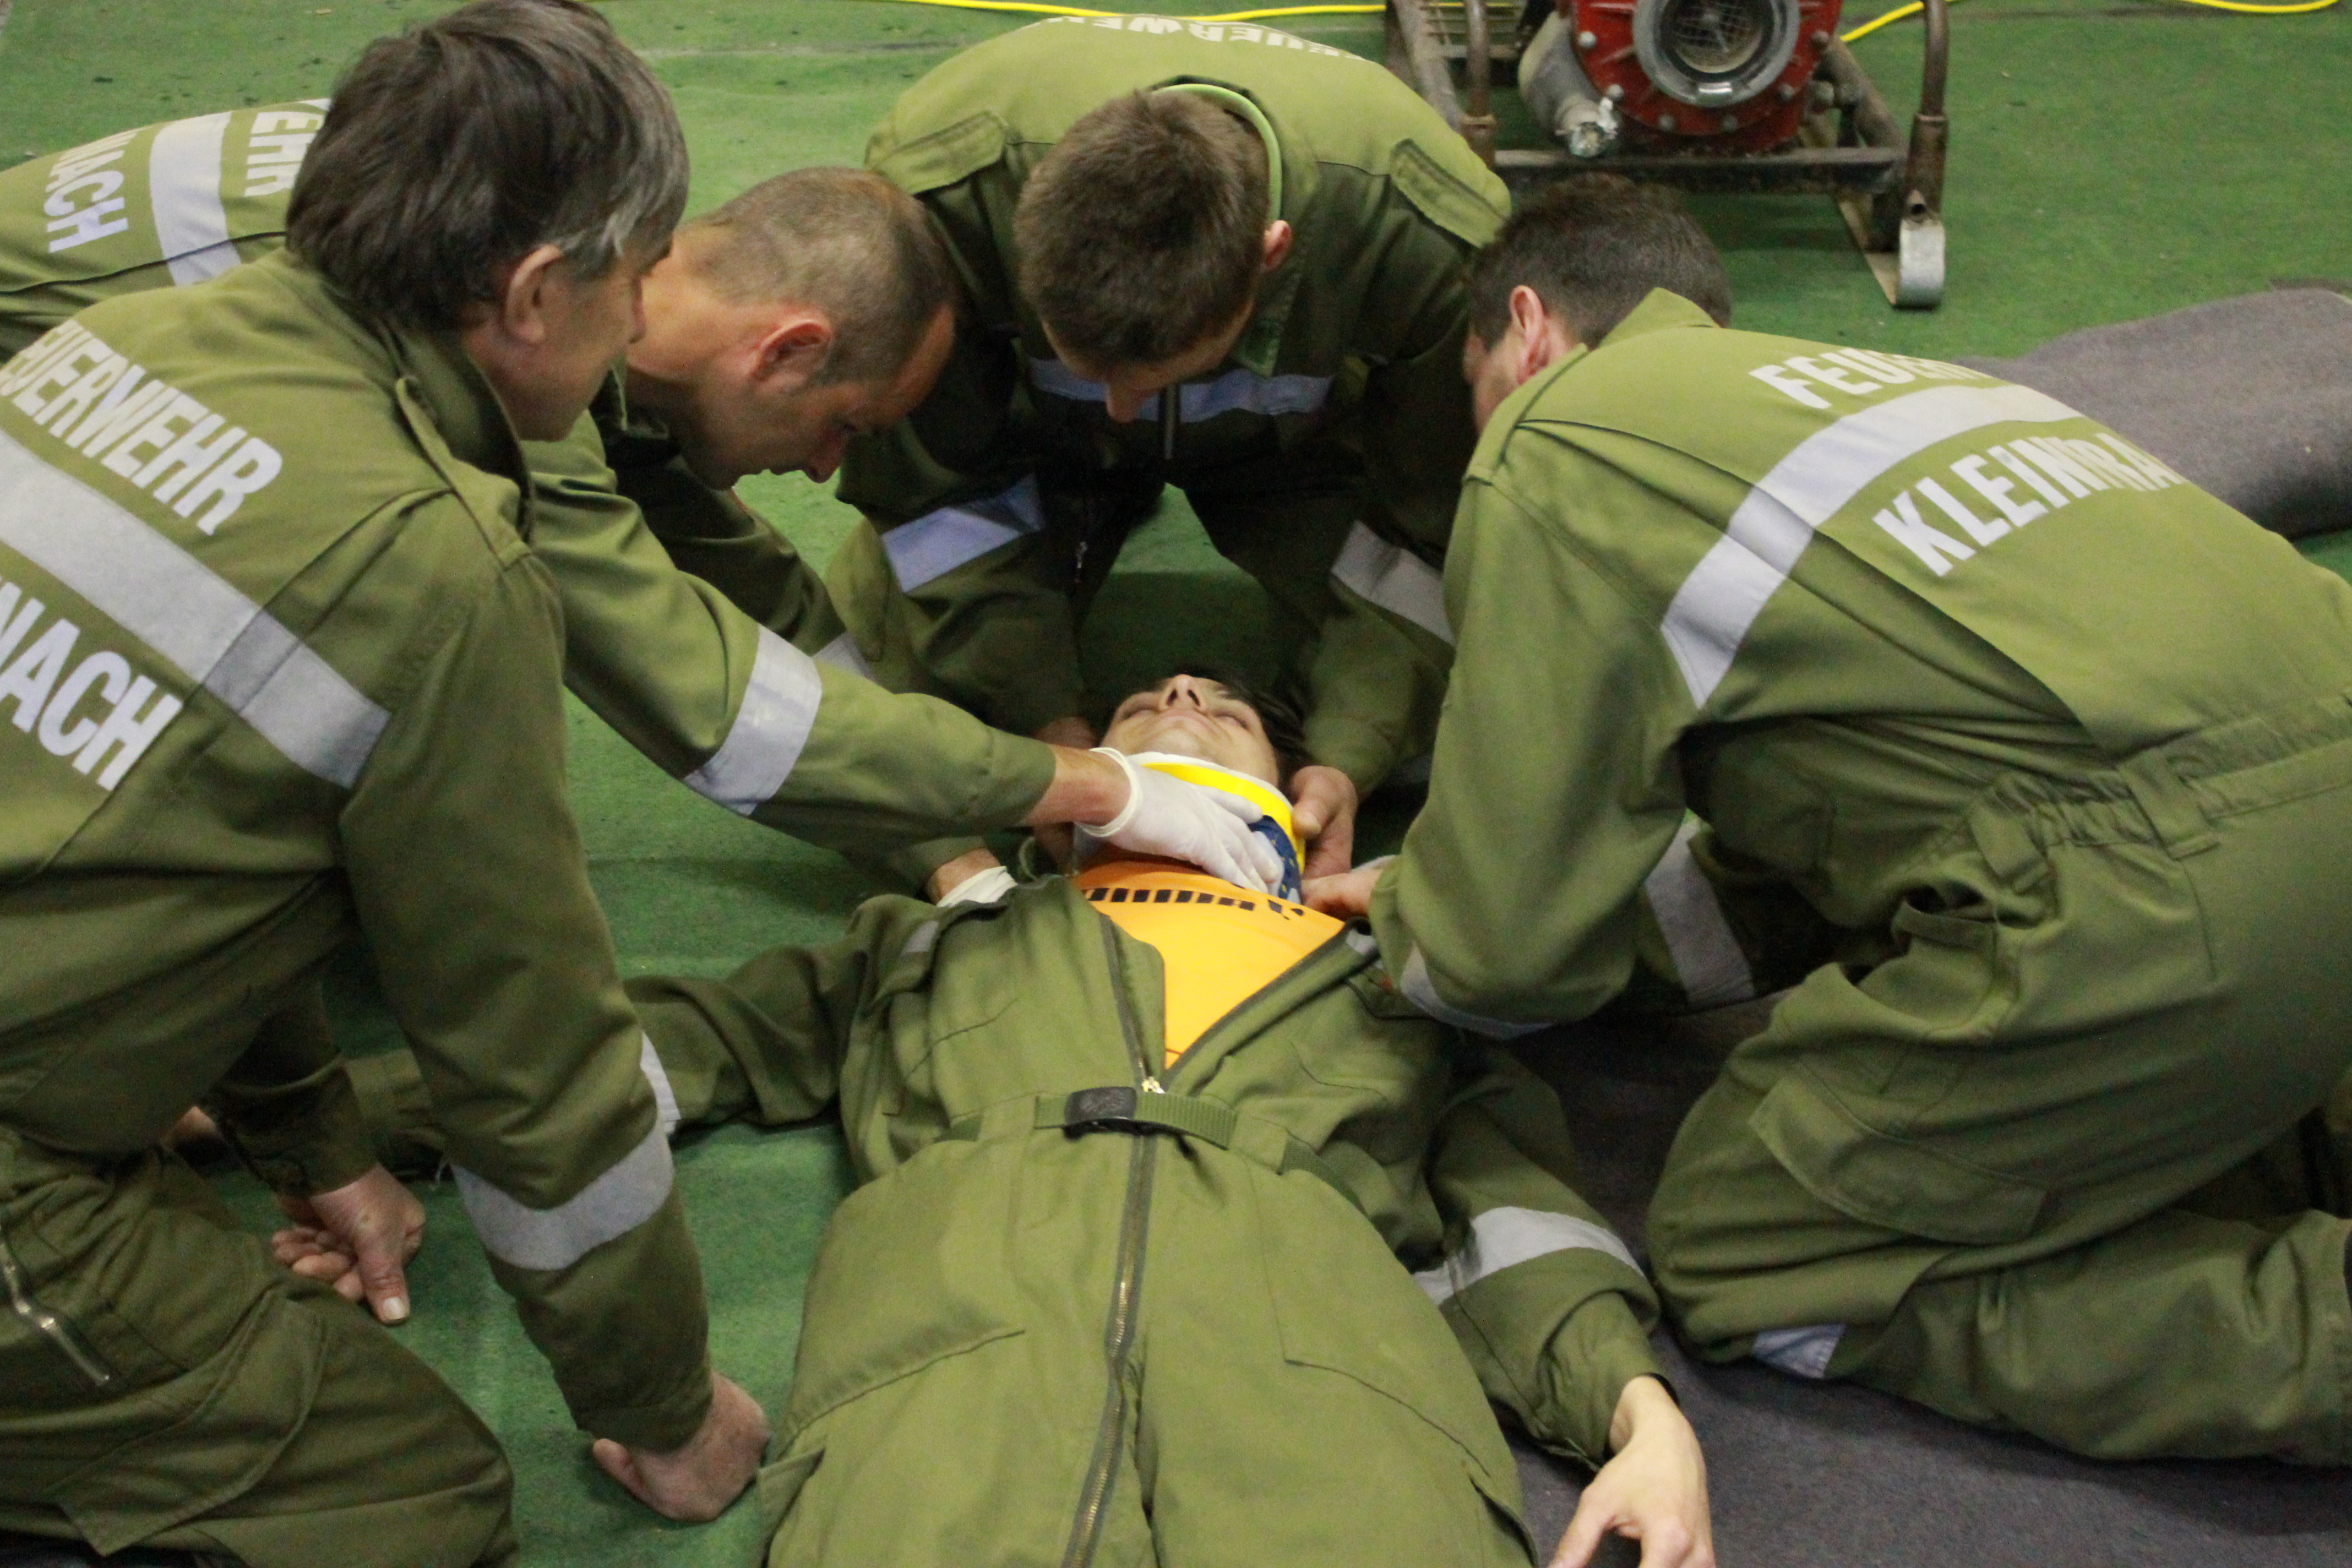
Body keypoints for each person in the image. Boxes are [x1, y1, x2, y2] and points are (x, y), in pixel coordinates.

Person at [0, 6, 1271, 1565]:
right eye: (633, 278)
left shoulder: (120, 344)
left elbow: (232, 789)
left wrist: (313, 1137)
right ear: (538, 293)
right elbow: (536, 1062)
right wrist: (663, 1408)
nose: (646, 314)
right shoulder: (432, 558)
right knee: (417, 1499)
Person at [1314, 175, 2352, 1463]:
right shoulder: (1894, 390)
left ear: (1527, 332)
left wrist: (1419, 916)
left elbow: (1499, 949)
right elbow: (1810, 849)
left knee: (1754, 1250)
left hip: (2160, 891)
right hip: (2285, 821)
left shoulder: (1558, 438)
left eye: (1478, 396)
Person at [328, 668, 1714, 1568]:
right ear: (1068, 806)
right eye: (1143, 702)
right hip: (954, 1348)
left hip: (1319, 1360)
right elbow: (668, 1042)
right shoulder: (934, 942)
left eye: (1227, 705)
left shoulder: (1399, 976)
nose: (1182, 689)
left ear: (1305, 818)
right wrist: (326, 1123)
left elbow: (1515, 1209)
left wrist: (1643, 1414)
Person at [829, 13, 1515, 876]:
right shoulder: (944, 206)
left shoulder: (1428, 241)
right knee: (891, 685)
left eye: (1157, 374)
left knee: (1483, 696)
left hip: (1296, 459)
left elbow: (1432, 526)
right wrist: (1045, 725)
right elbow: (933, 492)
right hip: (1042, 450)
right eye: (1091, 368)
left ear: (1270, 258)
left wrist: (1348, 751)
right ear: (1020, 238)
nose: (1120, 410)